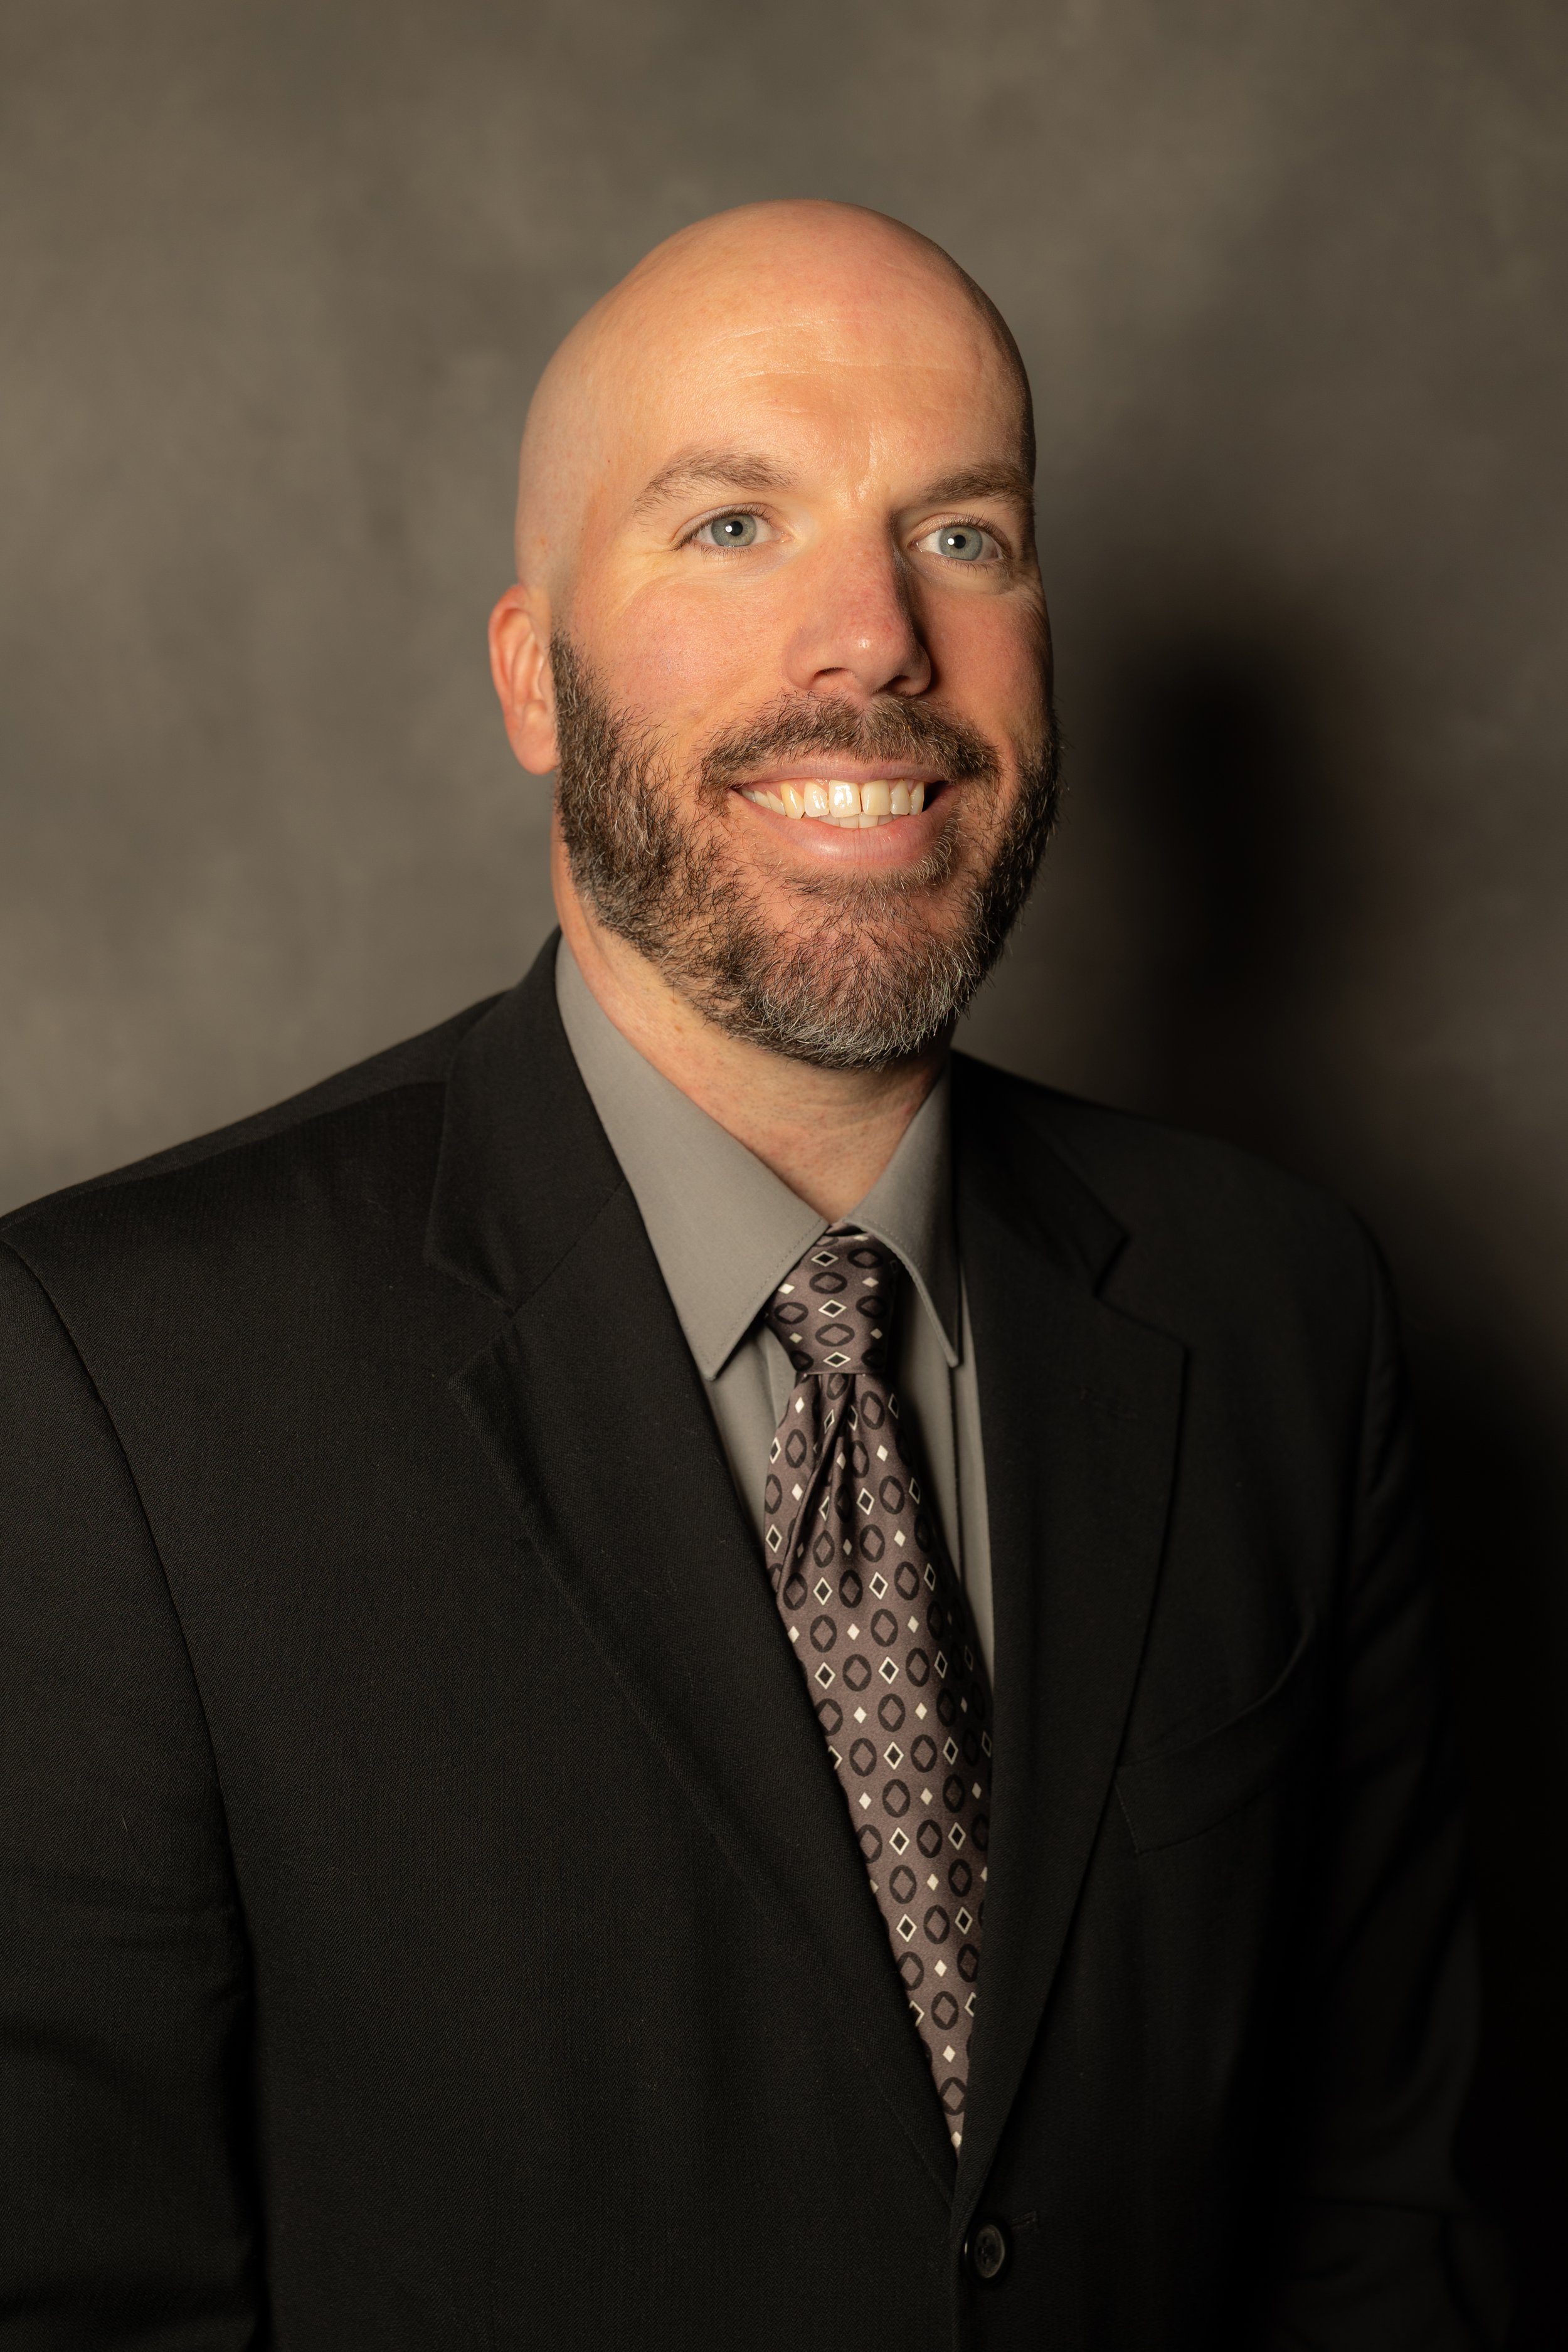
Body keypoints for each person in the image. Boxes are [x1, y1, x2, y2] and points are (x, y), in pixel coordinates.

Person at [0, 201, 1496, 2348]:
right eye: (729, 526)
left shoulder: (1278, 1315)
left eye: (962, 535)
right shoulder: (107, 1386)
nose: (875, 637)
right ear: (534, 674)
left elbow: (1376, 2224)